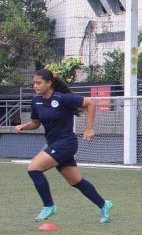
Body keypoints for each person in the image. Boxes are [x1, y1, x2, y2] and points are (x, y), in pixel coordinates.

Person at [14, 69, 113, 223]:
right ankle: (103, 204)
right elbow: (35, 123)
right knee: (76, 181)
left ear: (49, 83)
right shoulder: (36, 101)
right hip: (54, 143)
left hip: (66, 143)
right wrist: (23, 126)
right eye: (34, 83)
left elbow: (91, 103)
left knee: (34, 168)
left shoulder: (62, 98)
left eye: (39, 83)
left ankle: (49, 206)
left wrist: (89, 128)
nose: (35, 86)